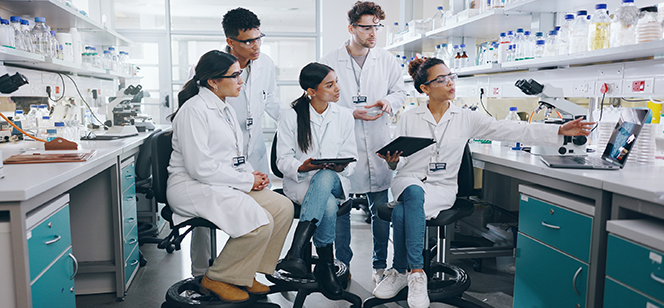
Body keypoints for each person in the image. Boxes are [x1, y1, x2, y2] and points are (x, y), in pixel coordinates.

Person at [373, 57, 594, 308]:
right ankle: (417, 274)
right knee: (412, 193)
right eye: (441, 80)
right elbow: (400, 164)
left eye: (451, 77)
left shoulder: (466, 118)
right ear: (425, 88)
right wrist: (392, 163)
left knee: (403, 210)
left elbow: (510, 130)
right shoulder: (409, 117)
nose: (450, 84)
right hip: (409, 180)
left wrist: (558, 131)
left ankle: (402, 271)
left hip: (441, 187)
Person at [166, 50, 293, 303]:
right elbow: (199, 168)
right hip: (192, 186)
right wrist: (247, 181)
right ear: (213, 81)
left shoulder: (224, 107)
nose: (241, 81)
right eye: (234, 76)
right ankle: (217, 277)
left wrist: (250, 173)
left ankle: (245, 274)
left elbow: (234, 155)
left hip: (220, 182)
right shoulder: (194, 111)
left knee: (282, 207)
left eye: (240, 74)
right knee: (259, 220)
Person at [189, 7, 284, 277]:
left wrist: (297, 124)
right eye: (248, 41)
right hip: (218, 154)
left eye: (259, 38)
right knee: (208, 215)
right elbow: (197, 108)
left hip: (253, 151)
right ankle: (201, 273)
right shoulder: (213, 66)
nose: (256, 46)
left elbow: (272, 102)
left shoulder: (265, 64)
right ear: (231, 41)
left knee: (256, 213)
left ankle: (245, 273)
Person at [319, 1, 406, 286]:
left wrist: (388, 102)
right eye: (367, 27)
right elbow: (320, 101)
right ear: (351, 28)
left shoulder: (386, 59)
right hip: (344, 142)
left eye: (376, 27)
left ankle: (380, 266)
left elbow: (400, 92)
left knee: (381, 211)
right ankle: (342, 266)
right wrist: (350, 113)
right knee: (341, 210)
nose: (373, 32)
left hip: (379, 139)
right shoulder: (330, 60)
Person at [275, 62, 358, 299]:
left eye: (336, 82)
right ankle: (326, 265)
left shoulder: (344, 116)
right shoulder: (291, 116)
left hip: (335, 180)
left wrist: (342, 166)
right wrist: (301, 167)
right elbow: (282, 160)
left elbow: (353, 157)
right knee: (328, 204)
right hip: (301, 183)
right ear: (311, 91)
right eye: (329, 85)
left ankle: (297, 250)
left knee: (325, 176)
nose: (337, 89)